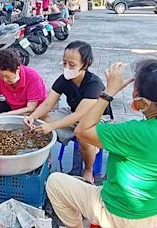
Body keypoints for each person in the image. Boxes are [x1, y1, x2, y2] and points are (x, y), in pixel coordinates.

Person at [46, 59, 157, 228]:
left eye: (134, 90)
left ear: (144, 102)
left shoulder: (136, 132)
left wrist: (108, 92)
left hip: (122, 216)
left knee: (55, 182)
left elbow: (81, 131)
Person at [24, 41, 105, 183]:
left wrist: (51, 126)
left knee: (83, 137)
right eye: (64, 62)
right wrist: (32, 116)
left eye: (72, 64)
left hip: (95, 119)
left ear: (85, 64)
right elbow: (49, 103)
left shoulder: (94, 84)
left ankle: (88, 170)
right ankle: (45, 160)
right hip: (72, 114)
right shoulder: (64, 79)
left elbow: (80, 114)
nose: (67, 67)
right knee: (43, 120)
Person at [0, 49, 47, 117]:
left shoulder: (33, 77)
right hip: (13, 107)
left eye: (7, 76)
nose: (4, 80)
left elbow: (31, 108)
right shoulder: (0, 76)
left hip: (32, 111)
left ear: (17, 69)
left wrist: (7, 114)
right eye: (1, 76)